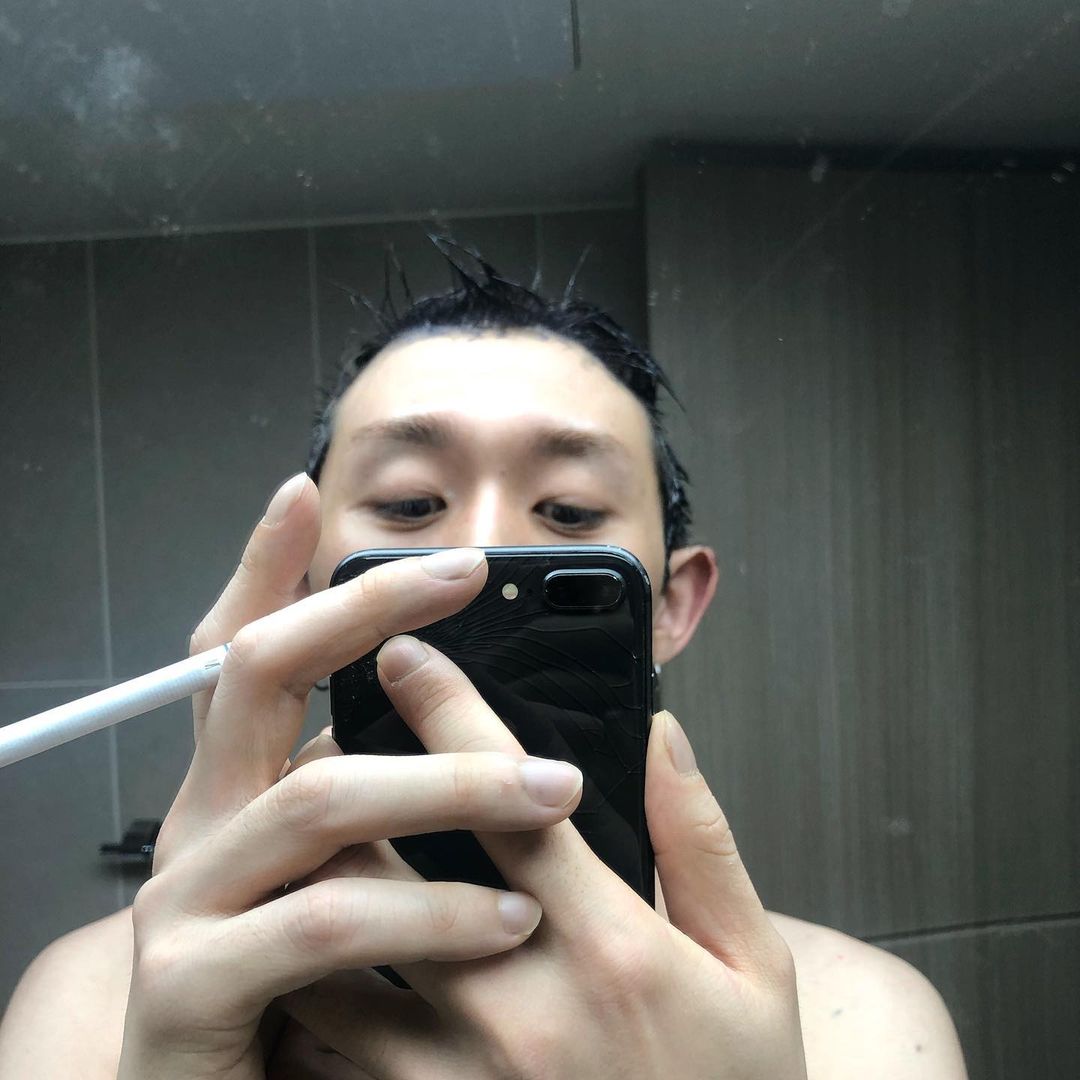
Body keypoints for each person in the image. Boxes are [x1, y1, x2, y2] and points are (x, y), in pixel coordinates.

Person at [0, 246, 968, 1079]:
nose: (477, 552)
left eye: (571, 513)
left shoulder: (855, 1021)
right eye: (409, 505)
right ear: (300, 589)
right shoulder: (95, 1002)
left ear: (669, 604)